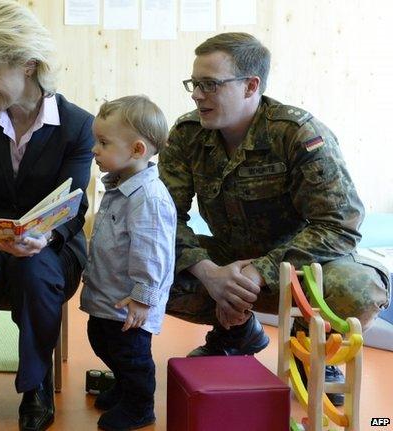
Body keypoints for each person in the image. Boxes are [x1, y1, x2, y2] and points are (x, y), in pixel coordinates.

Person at [159, 32, 390, 406]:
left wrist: (259, 271)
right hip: (228, 262)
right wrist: (208, 272)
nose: (197, 95)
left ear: (251, 86)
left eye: (209, 85)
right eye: (194, 83)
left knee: (360, 289)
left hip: (302, 267)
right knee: (134, 264)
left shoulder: (298, 135)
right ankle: (235, 334)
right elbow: (162, 219)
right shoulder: (188, 135)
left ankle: (309, 349)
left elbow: (339, 225)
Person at [0, 2, 94, 430]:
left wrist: (44, 237)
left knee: (34, 271)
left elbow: (74, 203)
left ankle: (36, 385)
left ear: (27, 65)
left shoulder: (77, 125)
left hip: (52, 245)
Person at [80, 95, 176, 431]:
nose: (94, 149)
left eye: (103, 143)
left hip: (129, 302)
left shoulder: (148, 197)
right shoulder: (121, 187)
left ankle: (139, 407)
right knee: (102, 339)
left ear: (137, 150)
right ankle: (123, 388)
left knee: (131, 356)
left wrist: (142, 297)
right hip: (109, 294)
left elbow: (153, 252)